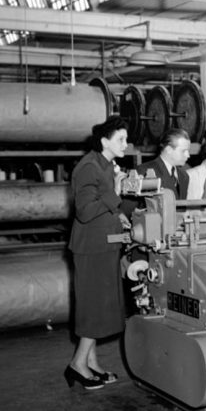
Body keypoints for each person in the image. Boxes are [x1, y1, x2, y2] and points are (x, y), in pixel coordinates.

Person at [65, 116, 131, 390]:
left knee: (98, 306)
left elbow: (105, 208)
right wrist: (115, 193)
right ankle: (77, 364)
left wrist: (120, 218)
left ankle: (90, 363)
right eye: (121, 140)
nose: (126, 145)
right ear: (104, 141)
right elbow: (85, 211)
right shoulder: (88, 167)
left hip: (105, 245)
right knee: (94, 308)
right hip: (91, 249)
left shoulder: (105, 165)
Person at [137, 129, 191, 199]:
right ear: (169, 150)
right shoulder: (144, 171)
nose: (188, 155)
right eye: (183, 151)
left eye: (188, 151)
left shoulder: (184, 176)